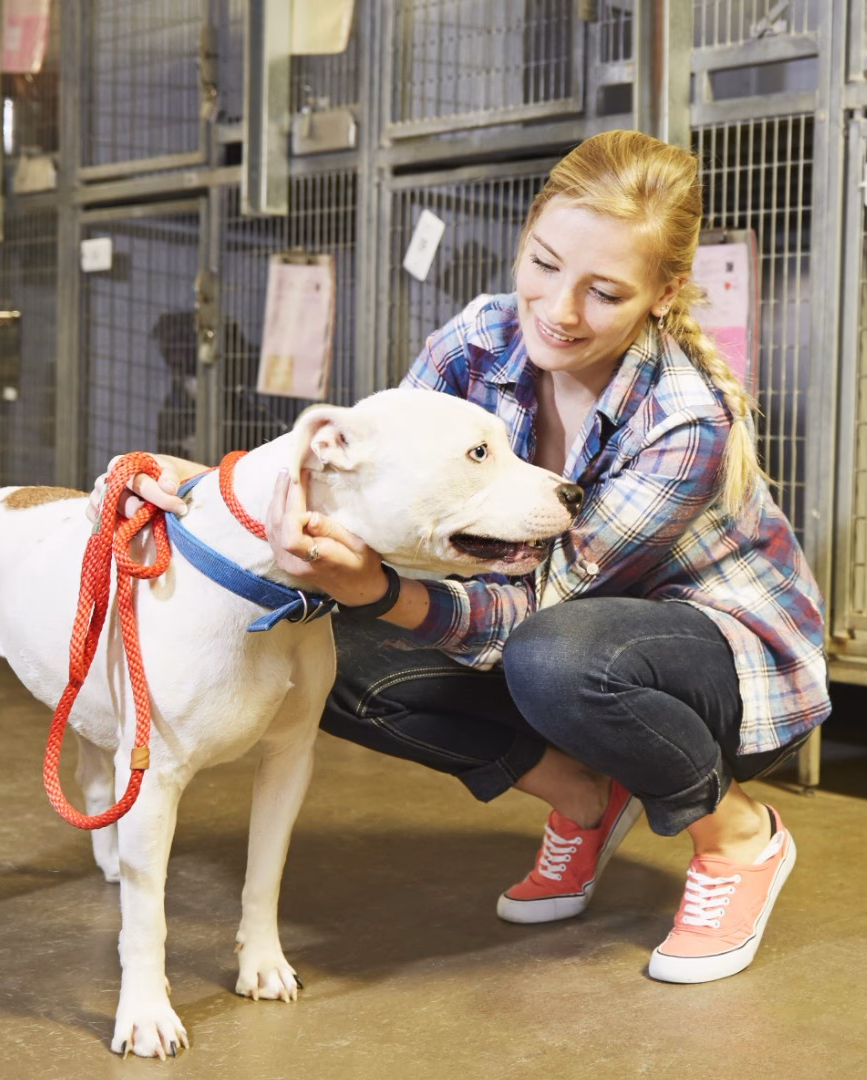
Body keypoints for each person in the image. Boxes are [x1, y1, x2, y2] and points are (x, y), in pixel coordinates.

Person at [104, 130, 829, 984]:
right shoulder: (480, 339)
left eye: (604, 291)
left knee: (557, 659)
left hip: (713, 657)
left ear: (665, 295)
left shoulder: (683, 421)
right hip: (546, 622)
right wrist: (229, 494)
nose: (558, 310)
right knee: (307, 644)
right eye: (544, 264)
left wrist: (380, 593)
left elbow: (539, 606)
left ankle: (739, 835)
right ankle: (583, 798)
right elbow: (389, 490)